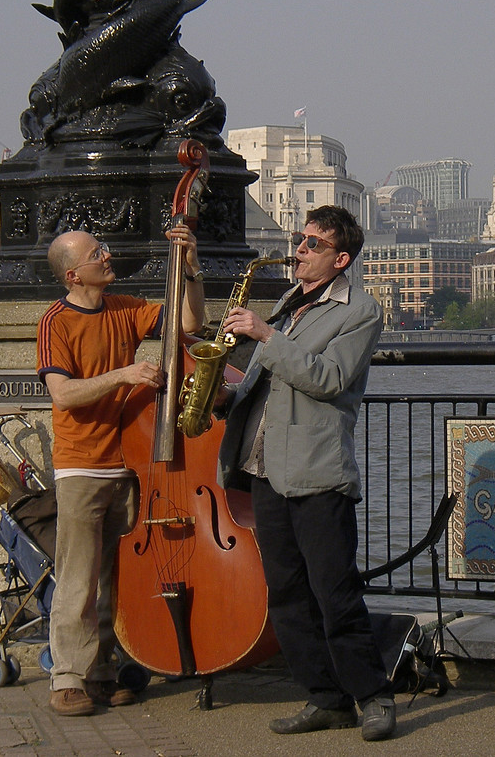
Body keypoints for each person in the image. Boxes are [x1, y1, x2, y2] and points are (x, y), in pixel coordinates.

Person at [217, 205, 396, 742]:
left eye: (312, 244)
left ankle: (374, 696)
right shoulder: (291, 304)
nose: (299, 249)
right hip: (265, 470)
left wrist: (267, 336)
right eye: (301, 239)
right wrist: (224, 395)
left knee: (335, 592)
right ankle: (325, 699)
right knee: (287, 596)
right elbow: (266, 382)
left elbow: (327, 378)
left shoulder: (360, 310)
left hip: (317, 473)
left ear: (341, 259)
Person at [36, 224, 205, 717]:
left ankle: (104, 673)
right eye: (97, 253)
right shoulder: (56, 322)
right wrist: (125, 375)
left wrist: (190, 265)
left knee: (116, 576)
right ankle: (66, 677)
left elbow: (190, 322)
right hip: (83, 466)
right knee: (78, 576)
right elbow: (63, 394)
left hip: (130, 462)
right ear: (73, 274)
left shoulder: (127, 307)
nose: (107, 256)